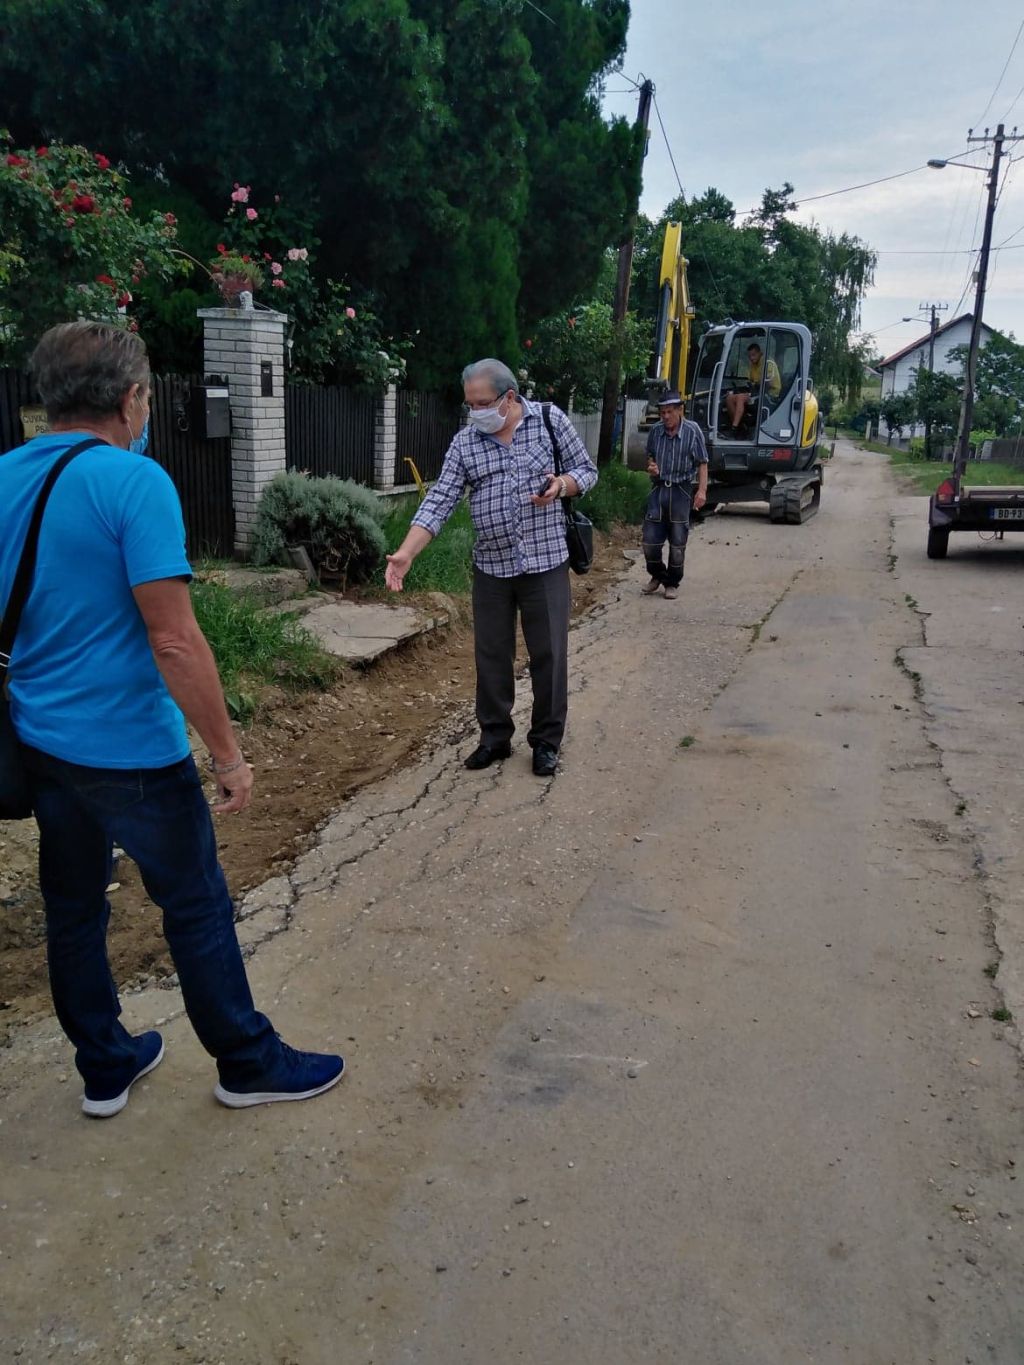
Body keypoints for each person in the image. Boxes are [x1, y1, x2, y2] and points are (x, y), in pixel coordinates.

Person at [0, 321, 344, 1117]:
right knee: (194, 900)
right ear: (131, 399)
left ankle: (105, 1063)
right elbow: (174, 638)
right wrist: (227, 753)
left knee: (75, 906)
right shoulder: (133, 482)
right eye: (148, 395)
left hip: (38, 743)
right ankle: (247, 1060)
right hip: (129, 750)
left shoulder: (6, 477)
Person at [385, 358, 597, 777]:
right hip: (492, 566)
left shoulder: (550, 420)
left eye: (483, 402)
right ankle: (495, 738)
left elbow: (587, 471)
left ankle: (546, 742)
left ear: (510, 397)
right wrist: (408, 552)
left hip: (546, 562)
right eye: (470, 404)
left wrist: (562, 486)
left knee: (549, 655)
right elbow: (440, 499)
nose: (475, 411)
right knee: (492, 656)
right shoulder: (465, 443)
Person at [642, 391, 708, 600]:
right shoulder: (655, 431)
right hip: (658, 489)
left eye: (670, 412)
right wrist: (651, 467)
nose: (666, 417)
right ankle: (658, 575)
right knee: (650, 542)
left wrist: (702, 491)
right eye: (662, 413)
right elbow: (650, 457)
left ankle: (672, 583)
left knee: (678, 541)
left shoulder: (693, 431)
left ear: (680, 410)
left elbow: (702, 462)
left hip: (681, 490)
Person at [724, 341, 781, 436]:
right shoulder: (753, 364)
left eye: (753, 355)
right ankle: (741, 427)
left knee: (740, 398)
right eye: (749, 356)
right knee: (729, 398)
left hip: (769, 395)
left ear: (760, 353)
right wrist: (736, 391)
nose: (751, 358)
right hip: (757, 392)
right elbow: (751, 382)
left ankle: (734, 429)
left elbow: (768, 382)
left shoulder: (767, 362)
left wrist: (755, 387)